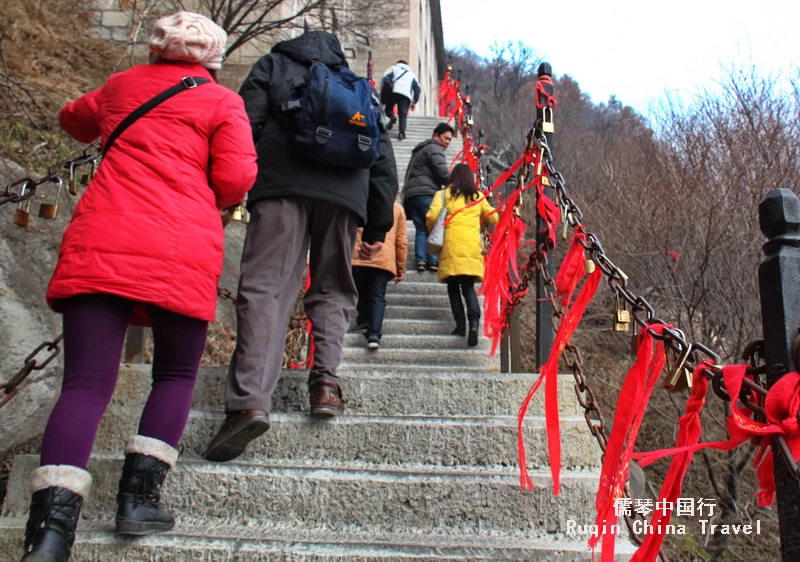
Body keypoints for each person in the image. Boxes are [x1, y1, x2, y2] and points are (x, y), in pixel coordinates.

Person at [19, 12, 257, 562]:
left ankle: (50, 535)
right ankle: (137, 501)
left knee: (83, 385)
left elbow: (72, 119)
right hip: (181, 246)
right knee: (174, 374)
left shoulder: (121, 86)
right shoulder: (222, 103)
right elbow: (237, 179)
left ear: (156, 47)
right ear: (213, 58)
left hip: (103, 238)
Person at [203, 30, 396, 463]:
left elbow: (243, 126)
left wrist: (226, 190)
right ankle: (325, 383)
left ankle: (249, 401)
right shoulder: (357, 86)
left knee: (267, 289)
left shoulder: (273, 65)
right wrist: (378, 223)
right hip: (345, 195)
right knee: (333, 289)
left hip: (280, 187)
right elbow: (382, 153)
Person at [426, 164, 498, 347]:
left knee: (452, 288)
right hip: (471, 248)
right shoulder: (478, 197)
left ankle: (460, 326)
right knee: (468, 287)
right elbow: (493, 219)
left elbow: (432, 217)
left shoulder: (443, 195)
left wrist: (436, 229)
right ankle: (474, 323)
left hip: (451, 246)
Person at [351, 202, 408, 349]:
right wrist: (400, 266)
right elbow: (401, 241)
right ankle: (374, 334)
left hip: (360, 254)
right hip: (384, 259)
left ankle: (364, 320)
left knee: (360, 290)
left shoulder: (360, 200)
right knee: (377, 295)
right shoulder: (397, 208)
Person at [403, 122, 453, 272]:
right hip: (426, 193)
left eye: (450, 140)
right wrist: (458, 183)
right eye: (445, 138)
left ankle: (421, 261)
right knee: (433, 225)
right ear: (436, 136)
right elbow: (443, 173)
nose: (447, 142)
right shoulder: (434, 148)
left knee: (421, 228)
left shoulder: (420, 149)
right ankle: (433, 260)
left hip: (412, 194)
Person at [383, 60, 420, 140]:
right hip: (406, 95)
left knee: (388, 108)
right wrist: (414, 101)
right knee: (402, 114)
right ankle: (401, 133)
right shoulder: (412, 75)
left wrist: (384, 95)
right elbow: (417, 89)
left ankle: (392, 116)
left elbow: (385, 79)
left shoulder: (393, 68)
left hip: (394, 92)